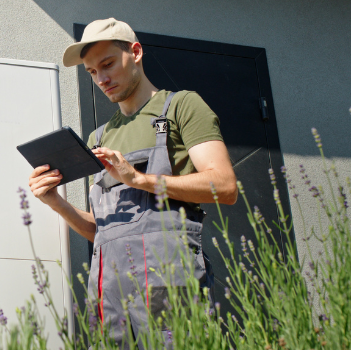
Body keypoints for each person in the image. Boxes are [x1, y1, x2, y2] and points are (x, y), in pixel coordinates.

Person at [28, 18, 237, 348]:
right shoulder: (99, 137)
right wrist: (56, 202)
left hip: (166, 280)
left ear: (135, 52)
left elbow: (225, 186)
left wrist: (140, 179)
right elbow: (105, 231)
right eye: (92, 72)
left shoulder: (181, 106)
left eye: (107, 64)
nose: (102, 79)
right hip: (110, 290)